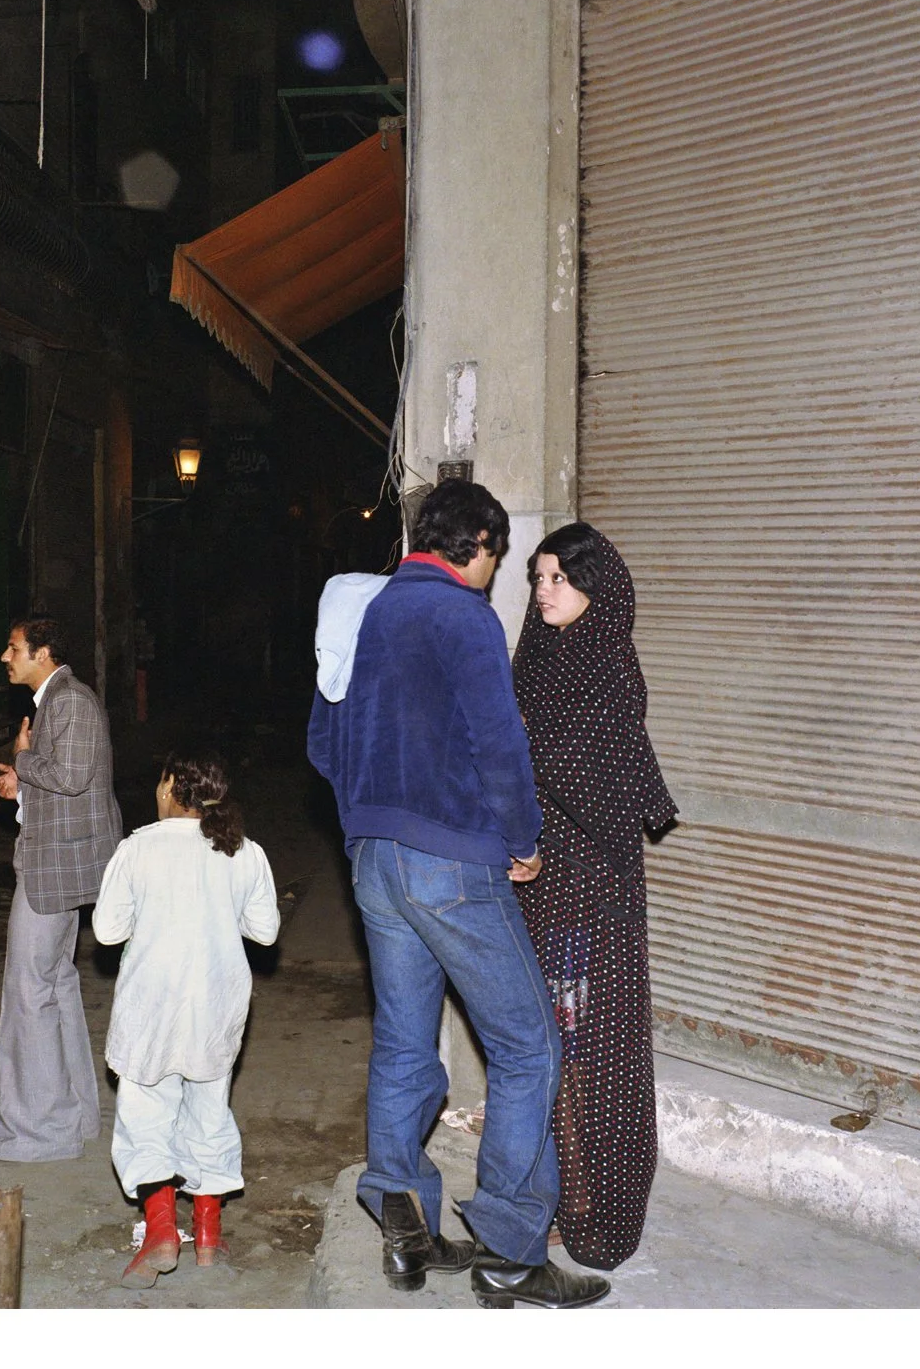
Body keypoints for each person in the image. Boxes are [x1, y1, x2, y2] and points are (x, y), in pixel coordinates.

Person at [308, 479, 610, 1310]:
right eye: (497, 559)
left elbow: (323, 738)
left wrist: (367, 821)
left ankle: (403, 1222)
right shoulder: (463, 617)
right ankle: (512, 1248)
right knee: (528, 1047)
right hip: (451, 863)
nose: (495, 575)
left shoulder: (366, 610)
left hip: (373, 860)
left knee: (407, 1045)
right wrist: (522, 841)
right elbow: (500, 743)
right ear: (475, 543)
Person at [511, 522, 677, 1271]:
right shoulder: (537, 656)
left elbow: (603, 787)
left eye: (558, 579)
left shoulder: (607, 663)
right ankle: (558, 1196)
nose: (544, 592)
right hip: (539, 885)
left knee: (584, 1047)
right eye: (538, 579)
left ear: (593, 587)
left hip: (590, 888)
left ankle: (593, 1208)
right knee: (545, 1044)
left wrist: (524, 759)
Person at [93, 753, 281, 1288]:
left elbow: (107, 932)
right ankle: (209, 1234)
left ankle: (160, 1233)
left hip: (151, 1005)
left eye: (160, 780)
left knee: (146, 1115)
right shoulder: (243, 850)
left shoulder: (138, 848)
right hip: (216, 1003)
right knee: (209, 1111)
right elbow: (264, 932)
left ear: (172, 787)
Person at [0, 615, 123, 1161]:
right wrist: (21, 786)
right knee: (53, 985)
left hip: (56, 871)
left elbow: (71, 776)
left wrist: (22, 758)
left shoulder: (71, 701)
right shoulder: (57, 702)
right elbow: (61, 783)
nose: (5, 657)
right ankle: (72, 1117)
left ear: (42, 654)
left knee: (30, 991)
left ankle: (42, 1131)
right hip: (55, 863)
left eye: (13, 648)